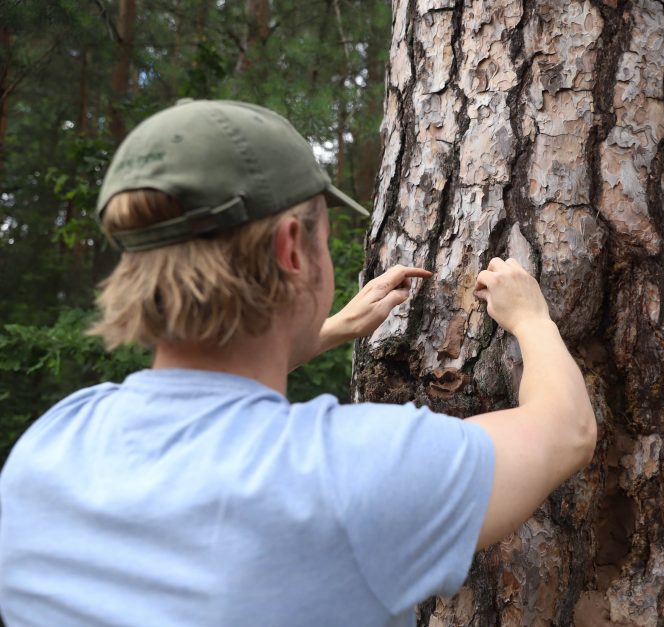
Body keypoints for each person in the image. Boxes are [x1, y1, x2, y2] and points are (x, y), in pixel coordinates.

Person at [0, 100, 597, 626]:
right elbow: (565, 432)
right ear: (291, 247)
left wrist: (331, 328)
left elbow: (205, 387)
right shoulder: (349, 474)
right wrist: (530, 320)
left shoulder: (50, 445)